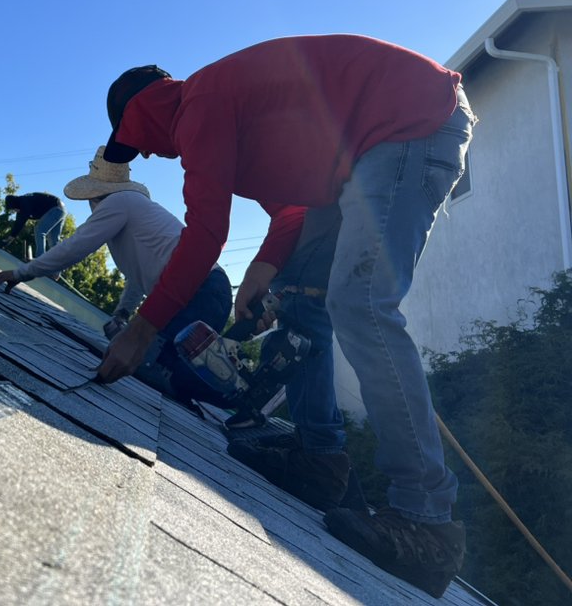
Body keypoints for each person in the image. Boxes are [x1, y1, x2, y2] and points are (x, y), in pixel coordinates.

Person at [97, 35, 474, 598]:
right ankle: (320, 457)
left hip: (413, 123)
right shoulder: (230, 112)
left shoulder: (198, 105)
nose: (146, 153)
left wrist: (141, 329)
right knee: (302, 294)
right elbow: (294, 211)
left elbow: (205, 233)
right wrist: (262, 273)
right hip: (361, 154)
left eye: (134, 141)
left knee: (361, 302)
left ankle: (427, 521)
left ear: (143, 112)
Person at [0, 147, 232, 403]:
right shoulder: (134, 210)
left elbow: (76, 246)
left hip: (201, 292)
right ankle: (231, 388)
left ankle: (238, 395)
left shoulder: (117, 203)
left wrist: (22, 272)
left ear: (96, 195)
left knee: (146, 365)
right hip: (211, 290)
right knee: (172, 371)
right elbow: (138, 277)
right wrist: (123, 313)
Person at [3, 193, 66, 257]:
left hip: (55, 208)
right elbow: (18, 223)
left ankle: (40, 257)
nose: (14, 211)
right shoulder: (22, 203)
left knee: (39, 230)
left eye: (13, 208)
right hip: (61, 210)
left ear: (15, 204)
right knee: (53, 241)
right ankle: (57, 261)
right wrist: (11, 237)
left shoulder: (24, 202)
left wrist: (10, 238)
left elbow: (20, 222)